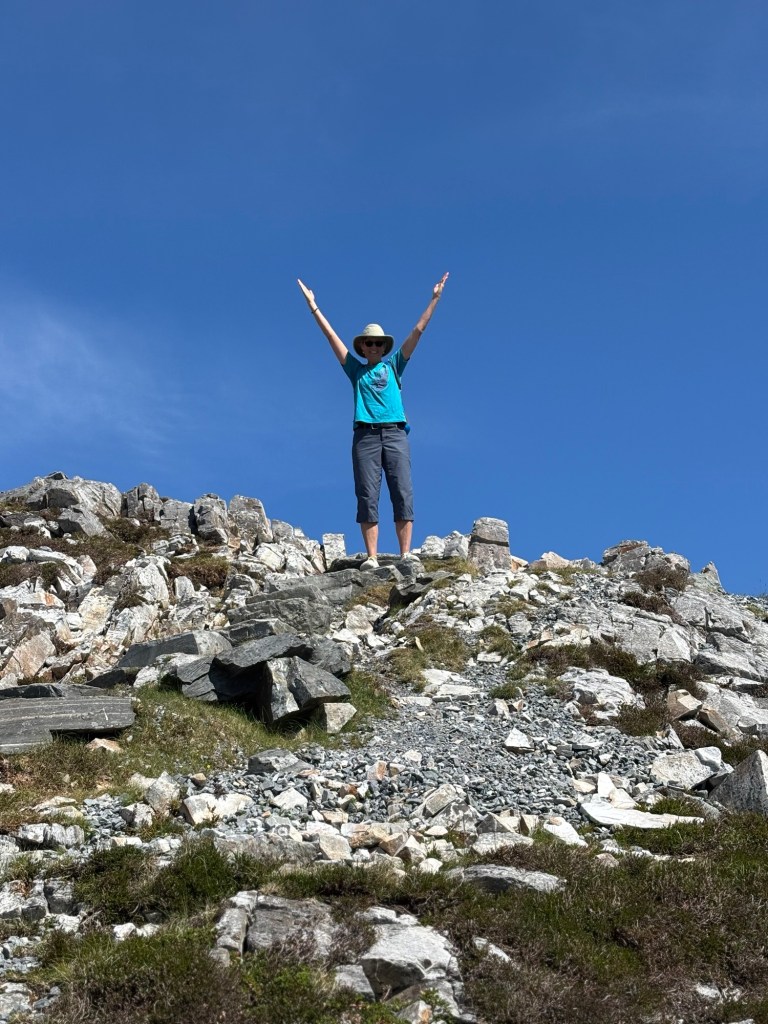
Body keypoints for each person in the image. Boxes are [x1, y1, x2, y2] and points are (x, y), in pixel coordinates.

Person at [297, 273, 449, 569]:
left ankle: (405, 554)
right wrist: (313, 306)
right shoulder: (355, 371)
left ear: (384, 347)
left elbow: (418, 331)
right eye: (370, 343)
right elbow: (331, 337)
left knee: (402, 490)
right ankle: (372, 557)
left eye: (379, 343)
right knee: (367, 494)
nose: (375, 346)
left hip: (395, 434)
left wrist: (435, 299)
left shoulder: (394, 366)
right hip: (365, 436)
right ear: (363, 347)